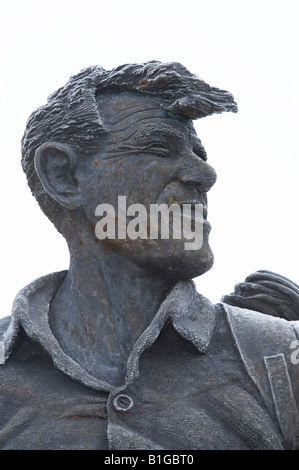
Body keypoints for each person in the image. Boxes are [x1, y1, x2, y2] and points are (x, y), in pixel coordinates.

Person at [0, 61, 298, 450]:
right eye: (159, 147)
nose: (206, 175)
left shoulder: (283, 361)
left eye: (198, 152)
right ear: (64, 176)